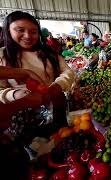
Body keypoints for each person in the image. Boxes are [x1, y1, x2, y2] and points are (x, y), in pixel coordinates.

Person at [0, 11, 75, 144]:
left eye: (33, 32)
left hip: (55, 104)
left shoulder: (48, 53)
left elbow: (68, 72)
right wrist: (14, 94)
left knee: (60, 140)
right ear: (8, 30)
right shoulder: (3, 55)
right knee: (34, 147)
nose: (27, 36)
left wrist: (57, 86)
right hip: (21, 114)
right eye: (20, 30)